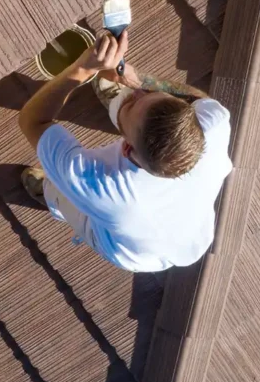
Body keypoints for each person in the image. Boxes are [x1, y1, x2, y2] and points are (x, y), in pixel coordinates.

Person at [18, 29, 233, 272]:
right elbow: (199, 99)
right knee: (131, 103)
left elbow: (32, 121)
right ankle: (120, 100)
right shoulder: (212, 125)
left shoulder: (98, 184)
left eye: (133, 102)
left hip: (132, 251)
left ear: (126, 147)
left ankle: (52, 199)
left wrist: (83, 69)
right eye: (149, 94)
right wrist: (138, 80)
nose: (138, 92)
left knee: (63, 190)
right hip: (189, 233)